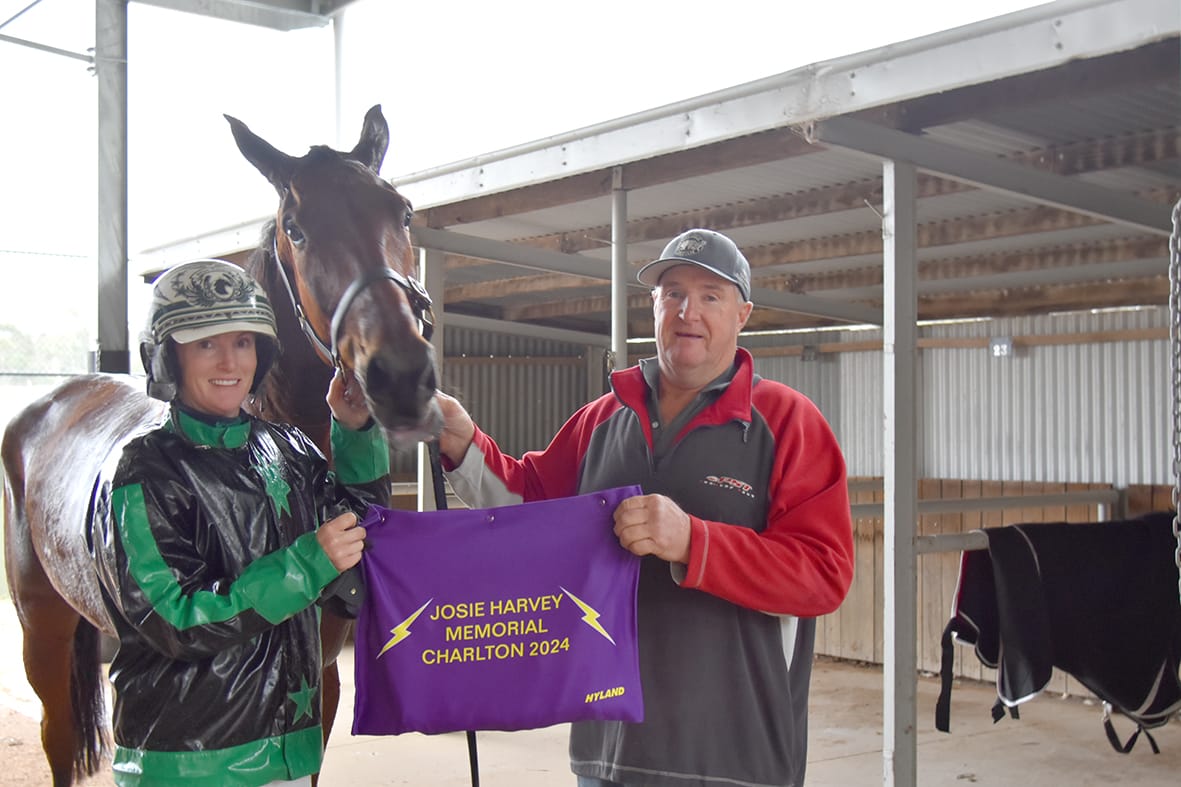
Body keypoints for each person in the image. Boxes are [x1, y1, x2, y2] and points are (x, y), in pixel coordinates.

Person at [434, 228, 855, 787]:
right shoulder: (602, 419)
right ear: (652, 304)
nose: (689, 311)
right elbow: (527, 505)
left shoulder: (788, 423)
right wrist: (464, 444)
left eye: (711, 295)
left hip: (732, 761)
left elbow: (824, 575)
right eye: (673, 291)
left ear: (743, 314)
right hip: (607, 753)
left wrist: (692, 542)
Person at [90, 259, 389, 787]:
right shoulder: (143, 473)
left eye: (244, 342)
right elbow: (176, 619)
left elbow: (362, 544)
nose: (230, 360)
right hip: (189, 763)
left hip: (290, 747)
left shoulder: (289, 447)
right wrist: (303, 566)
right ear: (167, 358)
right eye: (206, 344)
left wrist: (357, 433)